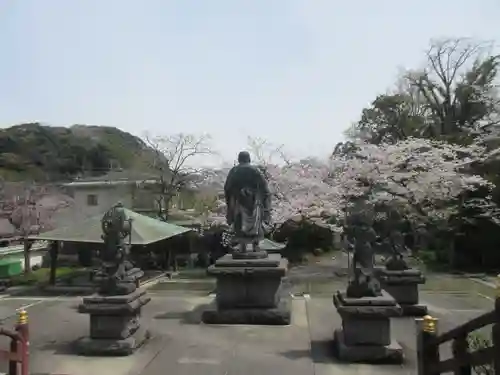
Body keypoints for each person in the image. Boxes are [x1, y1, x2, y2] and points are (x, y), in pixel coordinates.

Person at [224, 151, 271, 252]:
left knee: (240, 223)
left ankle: (242, 246)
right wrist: (266, 204)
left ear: (239, 159)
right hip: (255, 202)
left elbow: (227, 188)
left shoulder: (234, 171)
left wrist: (230, 202)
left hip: (238, 201)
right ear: (249, 159)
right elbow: (265, 189)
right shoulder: (256, 170)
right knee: (255, 225)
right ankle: (256, 245)